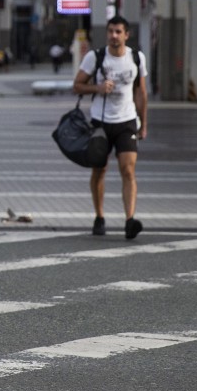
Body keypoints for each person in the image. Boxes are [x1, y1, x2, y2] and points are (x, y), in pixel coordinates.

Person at [71, 15, 148, 240]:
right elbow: (77, 86)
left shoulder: (136, 57)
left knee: (128, 169)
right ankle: (99, 216)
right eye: (110, 31)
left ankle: (129, 220)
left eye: (118, 32)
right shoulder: (95, 57)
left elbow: (141, 92)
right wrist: (98, 88)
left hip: (126, 121)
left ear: (126, 34)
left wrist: (144, 124)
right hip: (101, 122)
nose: (114, 36)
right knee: (100, 170)